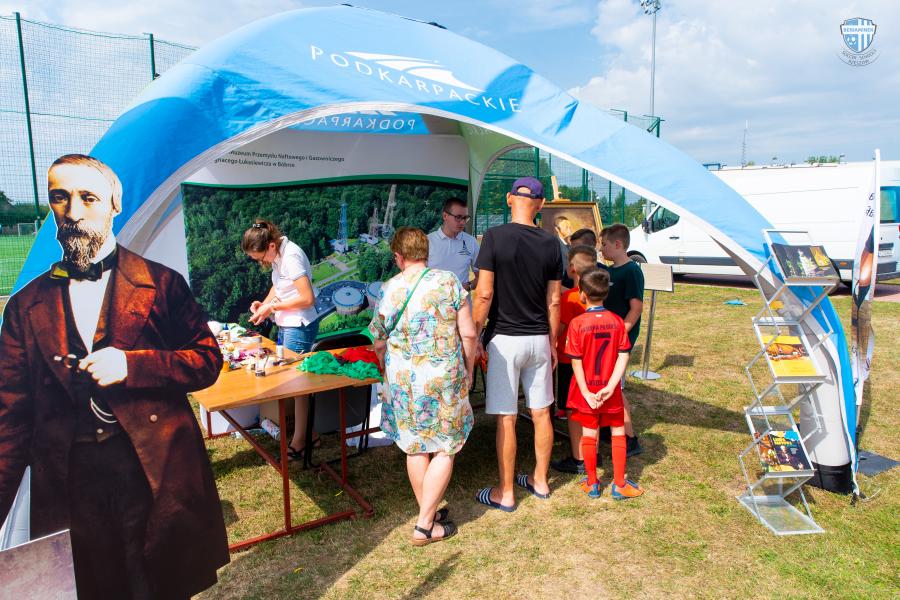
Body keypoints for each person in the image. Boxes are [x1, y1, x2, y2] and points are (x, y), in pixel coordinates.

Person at [0, 154, 228, 599]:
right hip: (68, 482)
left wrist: (133, 365)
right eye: (60, 198)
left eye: (88, 197)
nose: (73, 211)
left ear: (114, 205)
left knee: (160, 582)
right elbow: (9, 417)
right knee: (91, 586)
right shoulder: (25, 306)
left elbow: (206, 359)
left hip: (152, 469)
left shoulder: (162, 283)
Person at [368, 227, 477, 545]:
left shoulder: (389, 288)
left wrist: (385, 368)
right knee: (445, 446)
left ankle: (427, 513)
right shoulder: (449, 282)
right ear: (426, 252)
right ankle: (425, 525)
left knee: (414, 446)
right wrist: (469, 368)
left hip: (404, 380)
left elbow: (378, 340)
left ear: (398, 256)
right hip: (444, 377)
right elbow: (469, 334)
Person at [473, 176, 562, 511]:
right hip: (538, 338)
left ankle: (506, 492)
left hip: (504, 340)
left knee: (507, 417)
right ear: (541, 204)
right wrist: (553, 342)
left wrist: (474, 335)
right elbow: (554, 300)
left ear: (510, 199)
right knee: (541, 412)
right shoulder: (551, 243)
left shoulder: (494, 236)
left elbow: (484, 293)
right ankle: (540, 481)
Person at [242, 219, 320, 461]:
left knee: (297, 384)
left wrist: (272, 308)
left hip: (300, 324)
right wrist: (264, 305)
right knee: (292, 381)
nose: (261, 262)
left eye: (260, 257)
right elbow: (279, 288)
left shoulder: (291, 256)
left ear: (271, 245)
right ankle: (309, 434)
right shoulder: (278, 255)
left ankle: (301, 441)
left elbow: (307, 298)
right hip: (288, 323)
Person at [565, 268, 644, 500]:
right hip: (609, 387)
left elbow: (576, 361)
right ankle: (619, 484)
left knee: (589, 434)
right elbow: (623, 355)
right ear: (606, 293)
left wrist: (586, 391)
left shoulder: (577, 323)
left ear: (582, 293)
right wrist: (611, 386)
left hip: (588, 388)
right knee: (618, 431)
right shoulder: (617, 321)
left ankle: (592, 483)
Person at [551, 245, 600, 474]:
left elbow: (560, 327)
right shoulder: (598, 296)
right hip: (593, 361)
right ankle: (593, 453)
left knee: (571, 409)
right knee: (591, 408)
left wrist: (551, 341)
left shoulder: (569, 297)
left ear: (571, 268)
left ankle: (579, 458)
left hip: (569, 360)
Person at [598, 224, 645, 457]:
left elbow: (636, 308)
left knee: (615, 386)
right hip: (608, 338)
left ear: (618, 244)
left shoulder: (632, 271)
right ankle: (610, 428)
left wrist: (621, 333)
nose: (601, 249)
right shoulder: (611, 271)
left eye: (604, 244)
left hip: (619, 340)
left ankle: (630, 438)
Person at [427, 197, 480, 291]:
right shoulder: (427, 241)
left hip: (462, 300)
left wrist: (468, 286)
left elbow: (482, 277)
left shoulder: (471, 242)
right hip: (432, 300)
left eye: (465, 218)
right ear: (445, 216)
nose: (462, 222)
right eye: (458, 217)